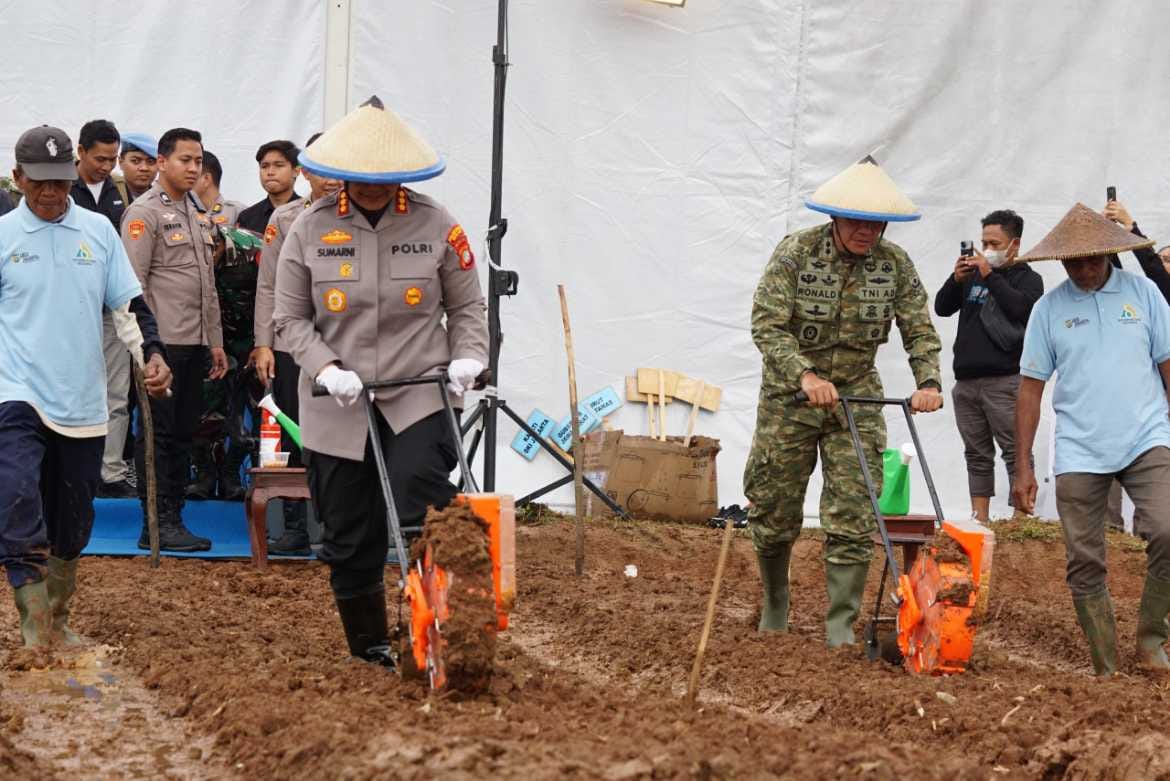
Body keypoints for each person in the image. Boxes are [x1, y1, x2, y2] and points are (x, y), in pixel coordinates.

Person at [274, 96, 487, 664]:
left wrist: (468, 358)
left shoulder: (438, 223)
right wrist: (325, 367)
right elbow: (289, 317)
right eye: (358, 179)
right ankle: (369, 644)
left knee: (422, 500)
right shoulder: (308, 229)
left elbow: (468, 309)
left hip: (418, 390)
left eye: (383, 180)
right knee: (348, 530)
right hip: (335, 400)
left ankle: (443, 635)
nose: (370, 189)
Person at [744, 155, 943, 646]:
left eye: (876, 223)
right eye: (856, 220)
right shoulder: (796, 253)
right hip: (790, 398)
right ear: (834, 217)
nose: (866, 231)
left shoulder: (894, 265)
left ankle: (839, 628)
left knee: (855, 508)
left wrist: (930, 382)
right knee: (773, 507)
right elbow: (767, 326)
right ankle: (775, 603)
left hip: (856, 395)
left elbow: (918, 327)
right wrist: (804, 374)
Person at [0, 125, 170, 647]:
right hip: (16, 391)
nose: (50, 194)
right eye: (39, 184)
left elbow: (129, 306)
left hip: (81, 396)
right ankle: (33, 621)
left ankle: (57, 615)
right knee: (15, 497)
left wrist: (153, 356)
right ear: (17, 178)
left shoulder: (98, 231)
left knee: (73, 519)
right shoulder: (4, 236)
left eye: (59, 182)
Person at [1013, 203, 1170, 676]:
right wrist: (1022, 466)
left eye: (1093, 259)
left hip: (1147, 437)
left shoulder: (1143, 294)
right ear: (1060, 261)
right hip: (1080, 449)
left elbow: (1167, 365)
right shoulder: (1049, 309)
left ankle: (1150, 639)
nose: (1084, 269)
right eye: (1073, 261)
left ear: (1109, 253)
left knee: (1167, 528)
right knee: (1084, 557)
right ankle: (1106, 666)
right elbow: (1030, 388)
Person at [121, 128, 229, 552]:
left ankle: (173, 517)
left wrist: (215, 341)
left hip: (195, 342)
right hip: (161, 345)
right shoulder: (144, 213)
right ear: (161, 162)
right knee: (159, 435)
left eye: (198, 161)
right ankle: (156, 522)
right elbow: (132, 288)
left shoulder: (197, 211)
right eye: (185, 159)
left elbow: (207, 285)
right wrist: (146, 349)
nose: (193, 168)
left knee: (184, 434)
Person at [253, 132, 341, 554]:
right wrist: (264, 344)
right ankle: (294, 528)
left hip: (345, 348)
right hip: (291, 345)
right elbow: (266, 286)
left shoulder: (363, 216)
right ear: (306, 172)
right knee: (291, 433)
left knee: (341, 436)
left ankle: (336, 526)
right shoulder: (286, 220)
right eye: (322, 168)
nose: (332, 178)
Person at [933, 210, 1043, 522]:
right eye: (984, 242)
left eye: (994, 243)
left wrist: (990, 276)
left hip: (1005, 379)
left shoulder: (1028, 278)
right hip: (966, 380)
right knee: (976, 453)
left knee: (1016, 450)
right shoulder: (971, 276)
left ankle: (1021, 517)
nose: (987, 249)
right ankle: (979, 517)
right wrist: (956, 279)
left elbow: (1021, 309)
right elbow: (942, 307)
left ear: (1015, 244)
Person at [70, 120, 139, 499]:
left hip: (112, 310)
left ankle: (110, 472)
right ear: (80, 152)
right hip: (71, 313)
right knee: (73, 390)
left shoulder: (123, 193)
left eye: (113, 159)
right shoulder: (59, 189)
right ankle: (70, 469)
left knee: (116, 394)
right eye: (100, 158)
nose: (106, 166)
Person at [1101, 198, 1170, 532]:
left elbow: (1155, 275)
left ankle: (1150, 534)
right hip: (1142, 397)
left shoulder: (1162, 292)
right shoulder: (1143, 297)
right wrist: (1110, 236)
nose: (1163, 263)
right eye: (1164, 258)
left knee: (1159, 474)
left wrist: (1132, 229)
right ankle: (1120, 535)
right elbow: (1118, 276)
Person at [189, 150, 249, 500]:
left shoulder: (238, 213)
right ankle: (204, 472)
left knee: (241, 406)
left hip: (238, 325)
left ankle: (231, 474)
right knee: (204, 400)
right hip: (202, 322)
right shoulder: (181, 214)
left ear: (206, 176)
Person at [236, 140, 301, 234]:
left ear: (296, 171)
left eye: (279, 165)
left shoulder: (308, 213)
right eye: (264, 166)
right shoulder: (247, 217)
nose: (270, 172)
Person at [118, 133, 158, 202]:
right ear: (121, 162)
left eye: (151, 162)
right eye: (135, 161)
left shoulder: (163, 199)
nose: (144, 168)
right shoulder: (108, 195)